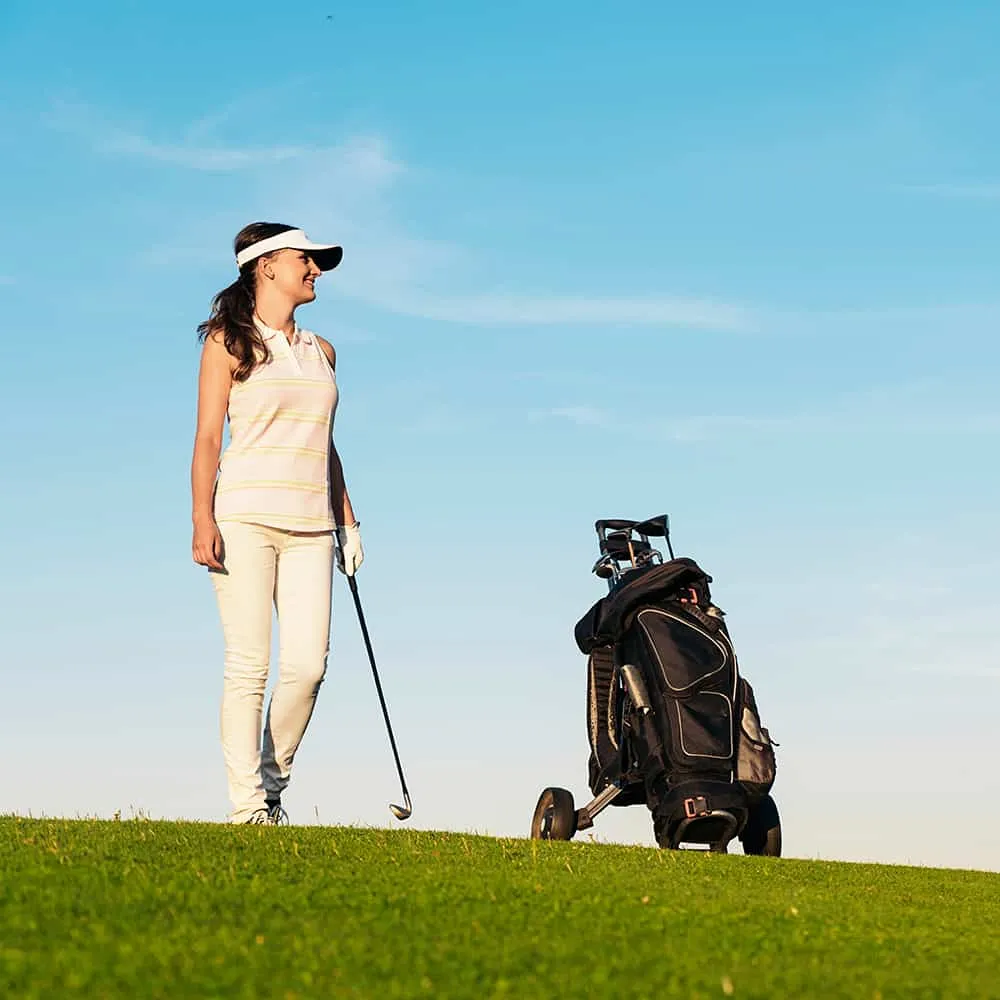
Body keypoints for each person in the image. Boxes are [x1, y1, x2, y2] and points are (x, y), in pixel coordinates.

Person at [190, 221, 364, 825]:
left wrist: (349, 522)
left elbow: (326, 443)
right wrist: (200, 518)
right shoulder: (227, 343)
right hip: (243, 517)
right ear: (265, 267)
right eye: (305, 260)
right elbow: (209, 436)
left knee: (308, 665)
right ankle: (247, 809)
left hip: (312, 525)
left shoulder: (323, 351)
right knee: (249, 665)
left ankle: (270, 783)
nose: (315, 270)